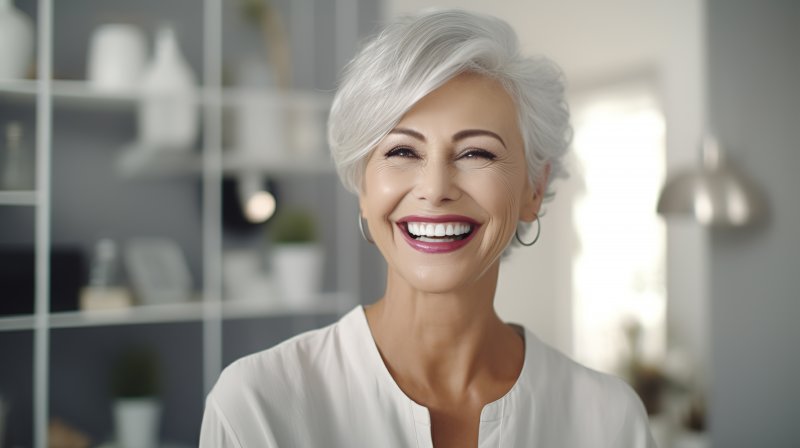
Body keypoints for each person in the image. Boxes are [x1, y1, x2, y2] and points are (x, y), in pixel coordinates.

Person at [200, 9, 655, 447]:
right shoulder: (257, 406)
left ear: (534, 189)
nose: (435, 189)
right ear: (363, 183)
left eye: (477, 153)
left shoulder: (609, 421)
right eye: (402, 152)